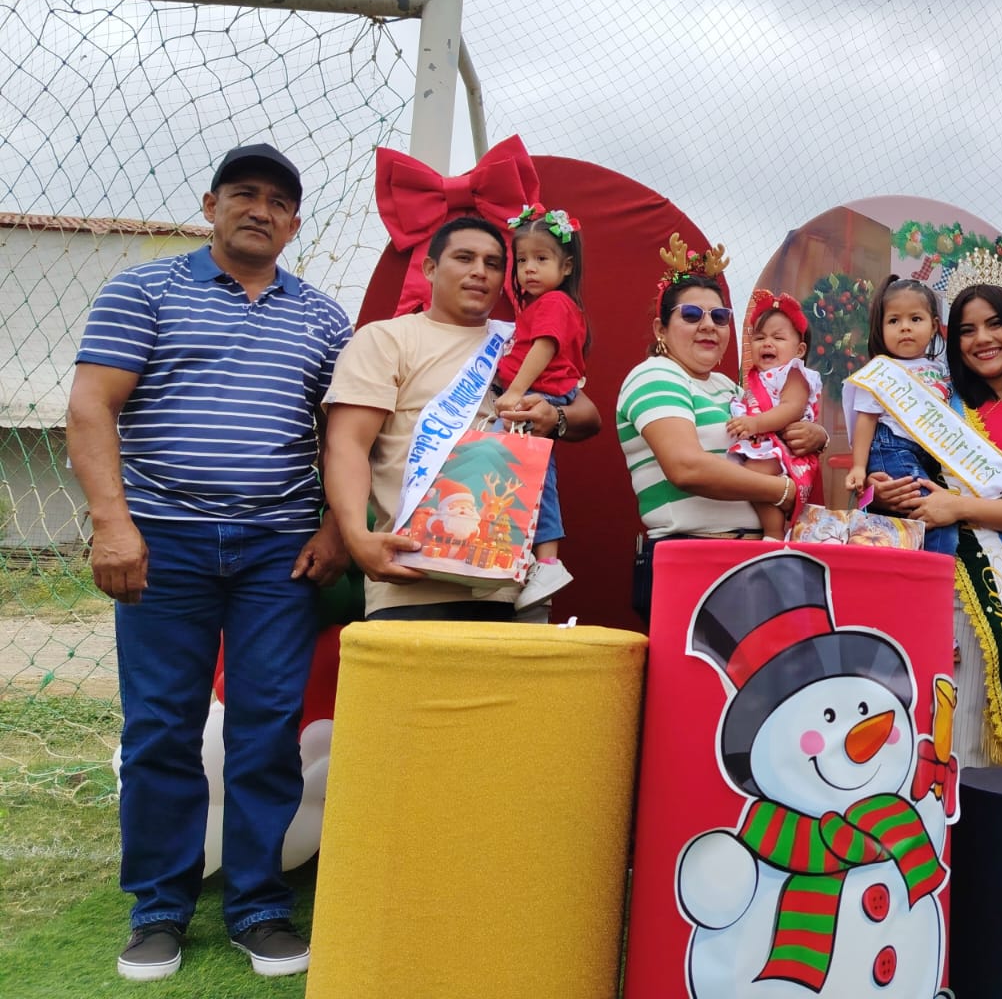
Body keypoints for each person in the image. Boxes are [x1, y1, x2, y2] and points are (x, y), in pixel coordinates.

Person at [67, 144, 350, 981]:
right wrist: (112, 525)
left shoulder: (324, 318)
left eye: (278, 202)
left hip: (279, 555)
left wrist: (337, 529)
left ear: (294, 225)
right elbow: (91, 407)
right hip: (163, 543)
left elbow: (345, 437)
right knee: (161, 726)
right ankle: (158, 909)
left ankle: (259, 907)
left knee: (267, 728)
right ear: (211, 205)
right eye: (244, 194)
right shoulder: (142, 291)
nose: (260, 210)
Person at [324, 214, 601, 621]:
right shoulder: (385, 338)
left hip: (511, 588)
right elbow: (347, 444)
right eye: (464, 258)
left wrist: (555, 417)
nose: (479, 272)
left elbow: (587, 414)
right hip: (410, 583)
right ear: (430, 268)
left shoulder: (516, 339)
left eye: (493, 263)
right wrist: (355, 536)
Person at [868, 275, 1002, 768]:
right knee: (939, 731)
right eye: (967, 330)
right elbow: (902, 479)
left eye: (994, 324)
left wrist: (959, 507)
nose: (982, 339)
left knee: (990, 741)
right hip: (931, 583)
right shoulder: (936, 406)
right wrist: (884, 492)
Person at [617, 238, 828, 616]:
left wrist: (818, 436)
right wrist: (783, 491)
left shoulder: (729, 387)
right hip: (693, 558)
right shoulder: (655, 375)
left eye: (719, 316)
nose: (708, 325)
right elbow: (687, 467)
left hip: (753, 561)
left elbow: (776, 430)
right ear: (661, 329)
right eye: (691, 314)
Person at [493, 203, 590, 609]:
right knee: (530, 476)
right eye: (522, 260)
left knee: (530, 477)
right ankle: (536, 558)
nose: (529, 269)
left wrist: (515, 391)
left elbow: (545, 347)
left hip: (539, 396)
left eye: (541, 259)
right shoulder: (540, 306)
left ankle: (547, 560)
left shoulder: (554, 304)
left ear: (566, 267)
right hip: (539, 394)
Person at [843, 276, 958, 556]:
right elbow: (866, 420)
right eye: (894, 321)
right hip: (893, 449)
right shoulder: (880, 371)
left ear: (934, 326)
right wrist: (858, 467)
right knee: (934, 516)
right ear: (881, 329)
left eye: (915, 319)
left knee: (908, 523)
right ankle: (936, 569)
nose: (905, 327)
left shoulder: (939, 370)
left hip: (928, 455)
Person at [726, 290, 823, 541]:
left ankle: (773, 534)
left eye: (778, 337)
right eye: (759, 337)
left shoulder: (794, 373)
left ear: (799, 350)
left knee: (752, 477)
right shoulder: (756, 379)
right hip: (766, 446)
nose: (767, 343)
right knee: (754, 484)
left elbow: (791, 408)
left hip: (786, 448)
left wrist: (754, 423)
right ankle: (773, 532)